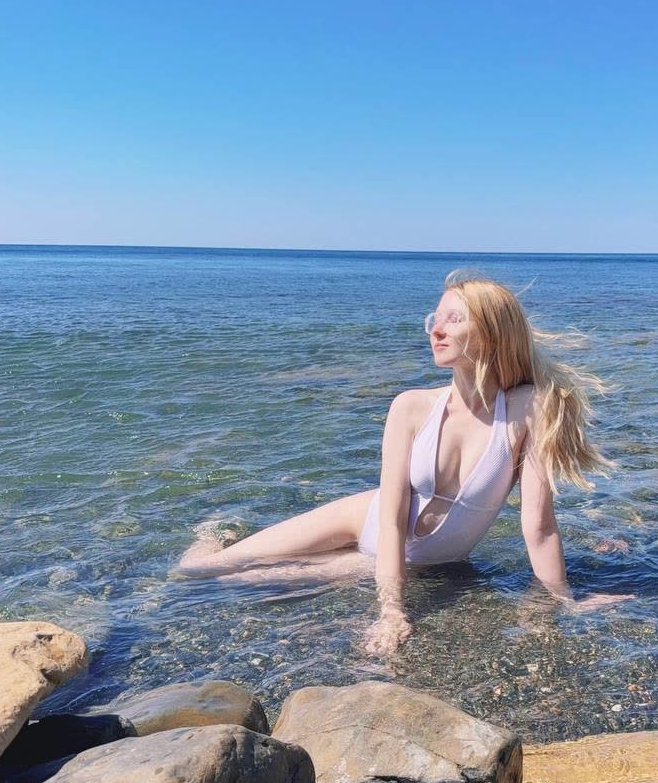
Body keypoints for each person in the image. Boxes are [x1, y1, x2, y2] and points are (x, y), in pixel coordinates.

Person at [178, 271, 631, 656]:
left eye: (454, 319)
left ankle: (235, 550)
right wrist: (392, 612)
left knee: (254, 582)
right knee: (203, 571)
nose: (436, 330)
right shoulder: (411, 406)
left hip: (420, 560)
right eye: (435, 319)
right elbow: (392, 519)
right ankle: (210, 538)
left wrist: (563, 601)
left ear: (493, 333)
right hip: (367, 518)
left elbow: (539, 525)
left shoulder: (529, 408)